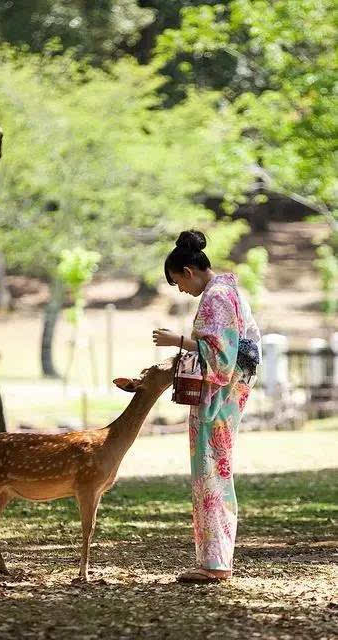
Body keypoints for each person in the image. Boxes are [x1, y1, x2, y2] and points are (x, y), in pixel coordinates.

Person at [153, 230, 261, 584]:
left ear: (189, 270)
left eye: (178, 282)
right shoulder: (227, 291)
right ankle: (214, 560)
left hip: (219, 394)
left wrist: (179, 341)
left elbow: (222, 358)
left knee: (211, 470)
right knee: (216, 468)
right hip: (227, 393)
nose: (180, 290)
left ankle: (214, 564)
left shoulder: (216, 296)